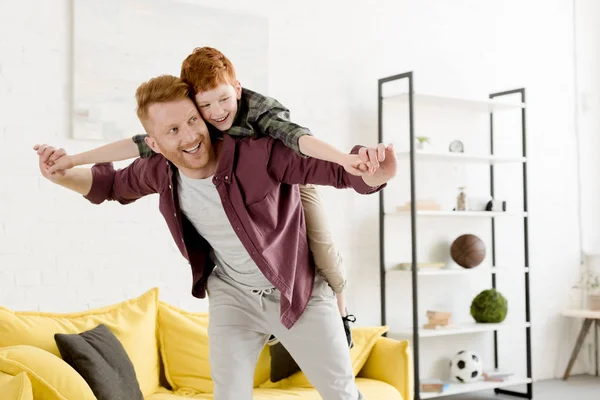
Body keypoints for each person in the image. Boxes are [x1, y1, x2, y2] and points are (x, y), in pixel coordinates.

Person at [35, 74, 396, 400]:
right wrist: (60, 174)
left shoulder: (258, 153)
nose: (190, 136)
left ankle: (340, 320)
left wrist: (372, 172)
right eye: (173, 131)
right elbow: (109, 184)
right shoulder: (159, 170)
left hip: (295, 290)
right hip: (232, 295)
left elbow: (334, 171)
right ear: (154, 144)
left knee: (341, 393)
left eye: (193, 120)